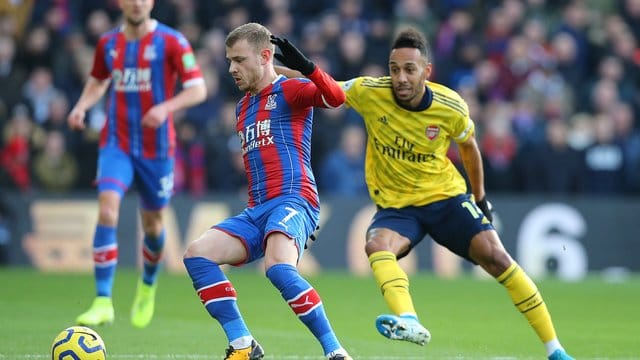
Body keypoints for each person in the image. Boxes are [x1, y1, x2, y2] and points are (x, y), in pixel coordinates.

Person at [277, 27, 574, 360]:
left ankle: (556, 350)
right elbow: (328, 87)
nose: (400, 78)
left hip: (445, 198)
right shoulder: (370, 91)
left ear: (426, 71)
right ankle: (409, 319)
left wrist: (479, 198)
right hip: (398, 207)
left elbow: (469, 149)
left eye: (409, 69)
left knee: (497, 258)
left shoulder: (451, 106)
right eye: (394, 69)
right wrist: (286, 67)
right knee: (376, 245)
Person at [182, 23, 352, 360]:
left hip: (294, 198)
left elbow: (337, 98)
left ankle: (335, 352)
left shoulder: (291, 90)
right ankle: (243, 344)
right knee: (197, 255)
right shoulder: (242, 107)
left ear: (264, 56)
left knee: (277, 267)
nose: (232, 68)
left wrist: (306, 67)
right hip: (257, 209)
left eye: (240, 60)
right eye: (230, 61)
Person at [67, 0, 206, 328]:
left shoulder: (172, 41)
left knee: (154, 226)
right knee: (107, 208)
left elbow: (198, 88)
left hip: (156, 149)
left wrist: (165, 108)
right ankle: (103, 300)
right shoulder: (108, 44)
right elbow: (99, 80)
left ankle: (147, 285)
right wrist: (81, 107)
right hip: (117, 142)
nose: (137, 3)